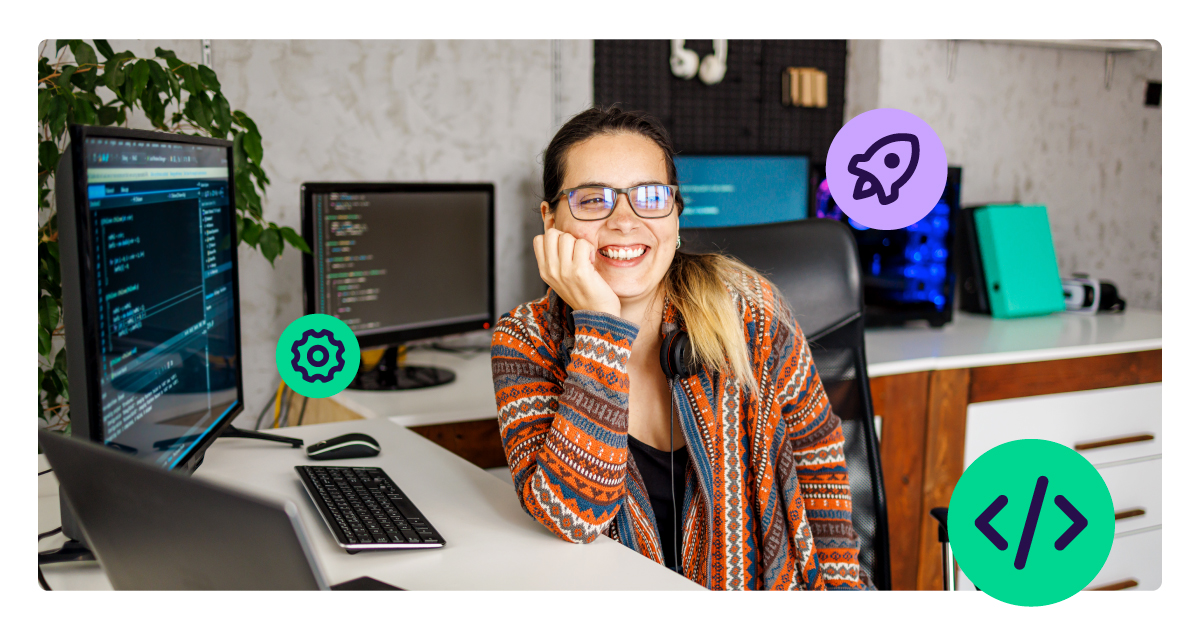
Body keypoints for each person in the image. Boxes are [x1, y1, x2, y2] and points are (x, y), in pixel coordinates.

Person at [490, 105, 870, 590]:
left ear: (675, 212)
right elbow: (572, 518)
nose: (625, 221)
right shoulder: (526, 340)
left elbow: (820, 468)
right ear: (551, 219)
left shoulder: (749, 311)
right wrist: (600, 327)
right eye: (592, 199)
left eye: (650, 197)